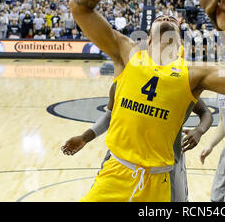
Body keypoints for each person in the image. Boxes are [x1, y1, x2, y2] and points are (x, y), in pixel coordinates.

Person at [68, 0, 225, 202]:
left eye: (173, 18)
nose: (168, 17)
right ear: (148, 38)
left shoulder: (194, 73)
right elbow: (79, 8)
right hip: (116, 172)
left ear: (181, 38)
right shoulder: (126, 52)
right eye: (161, 17)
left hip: (160, 181)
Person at [62, 82, 213, 202]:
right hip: (122, 162)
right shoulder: (124, 79)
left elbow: (205, 112)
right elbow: (110, 115)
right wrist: (84, 138)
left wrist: (199, 130)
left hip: (164, 165)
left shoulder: (179, 83)